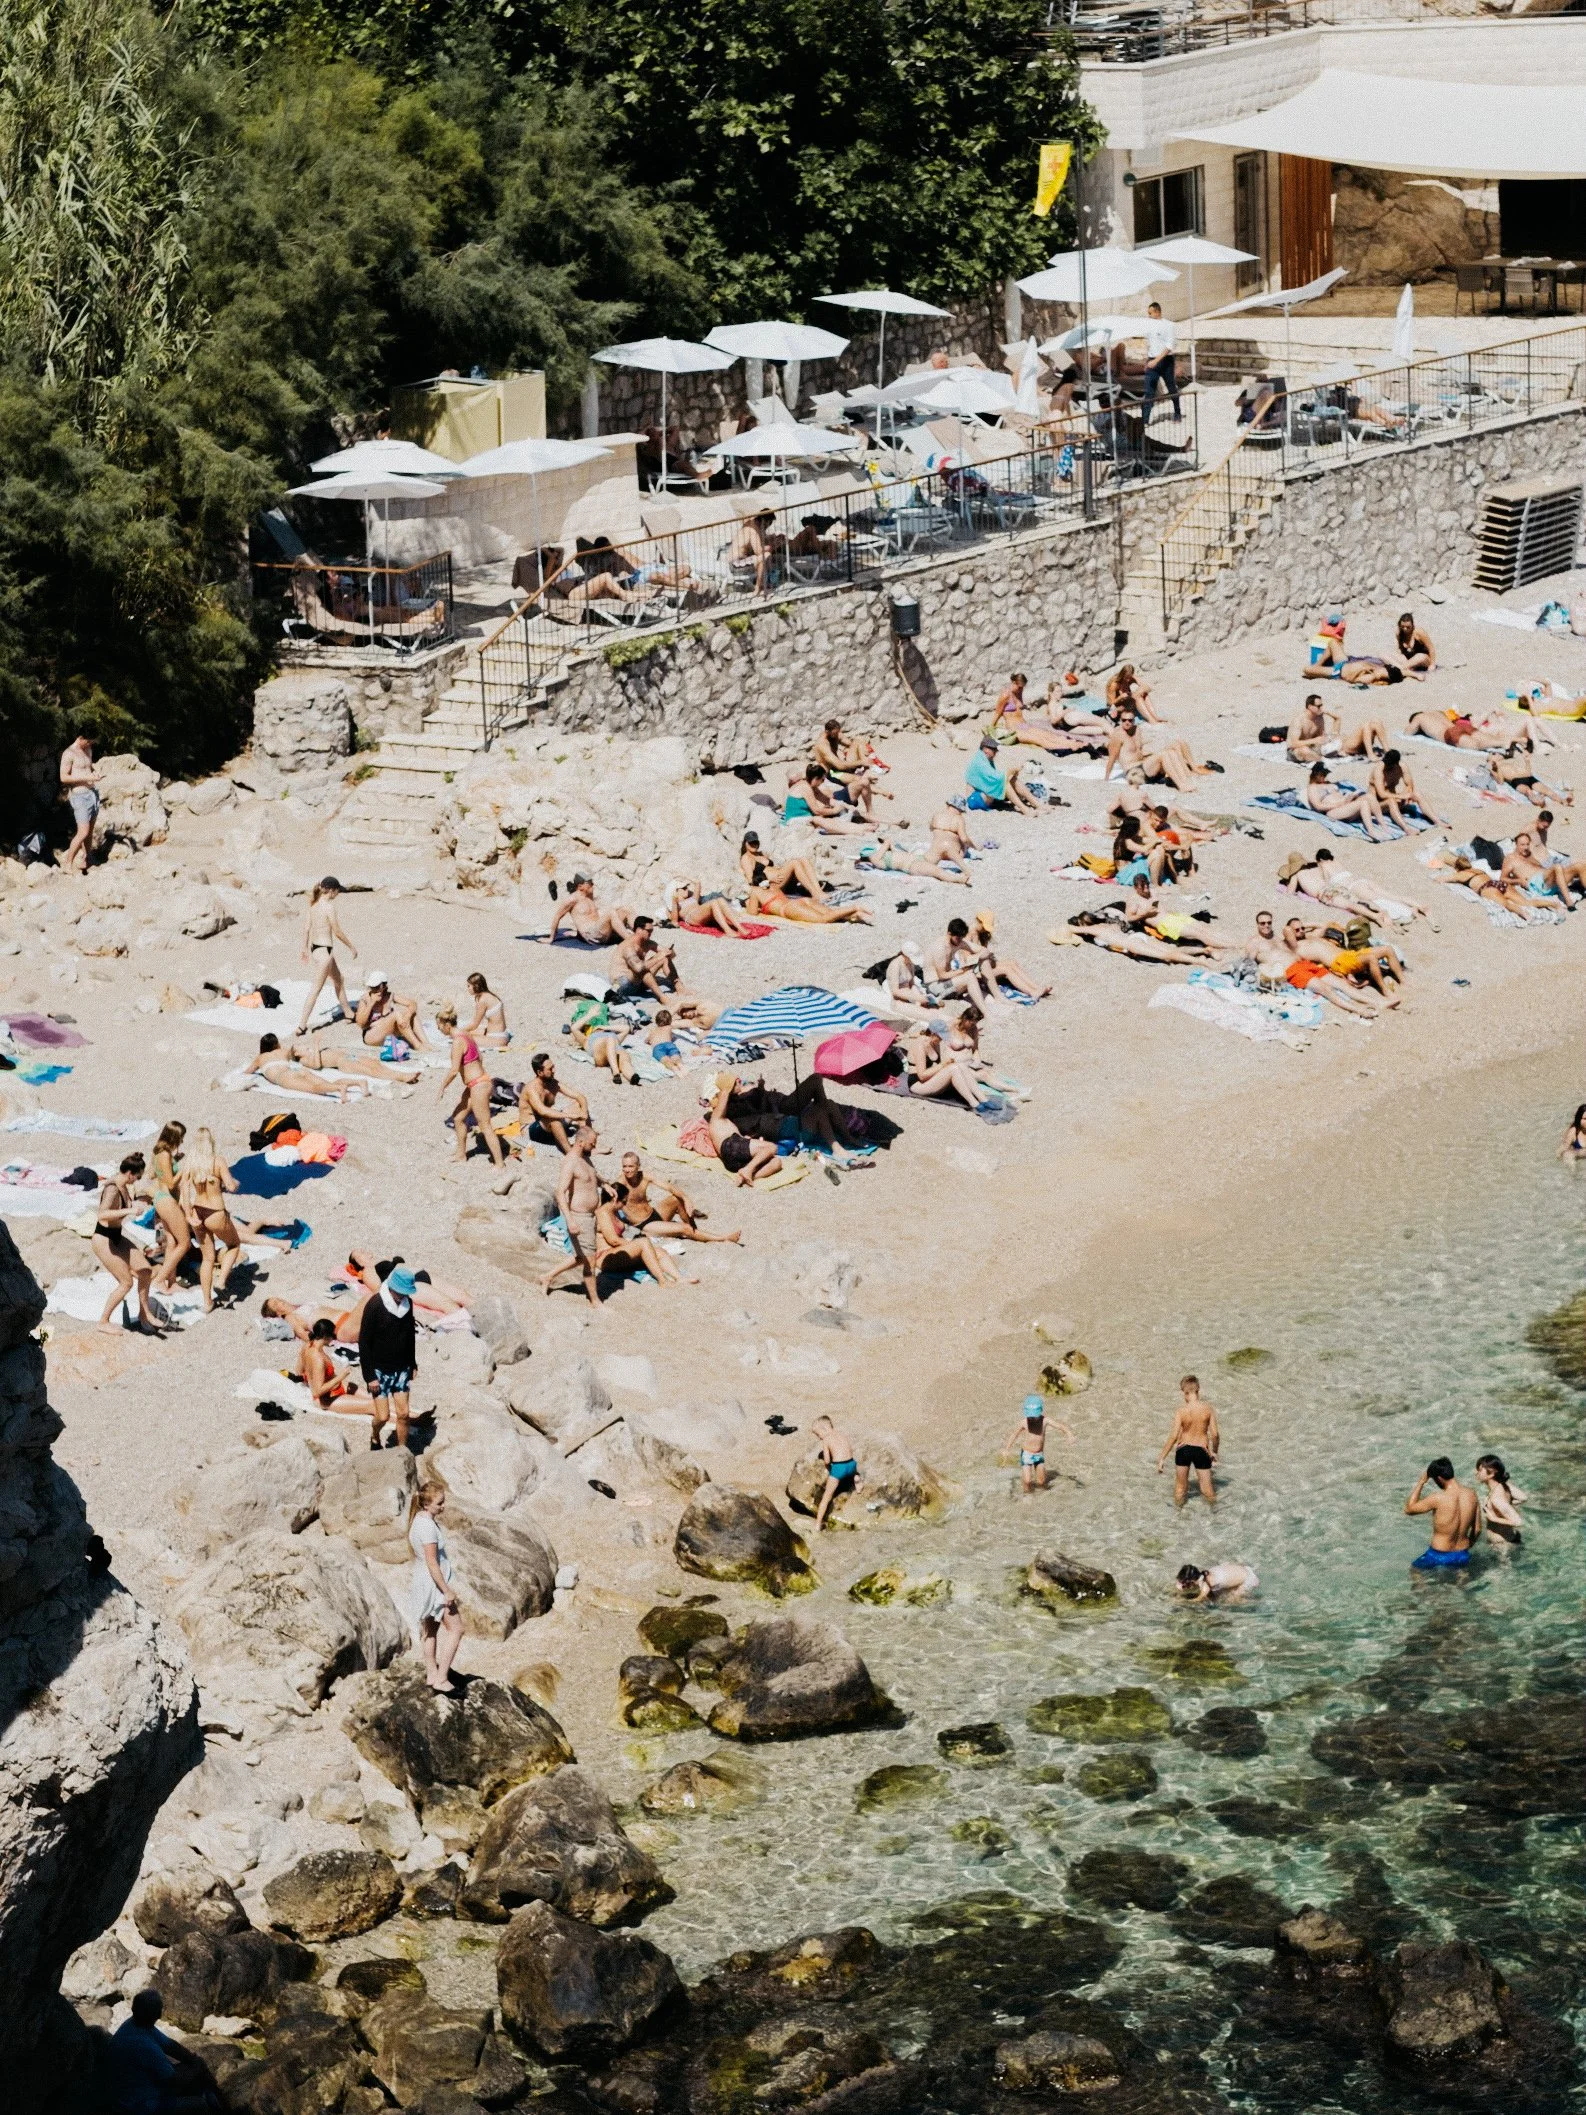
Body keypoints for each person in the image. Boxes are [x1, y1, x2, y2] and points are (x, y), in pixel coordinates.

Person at [109, 1987, 218, 2114]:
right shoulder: (145, 2046)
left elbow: (170, 2046)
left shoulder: (135, 2023)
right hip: (140, 2105)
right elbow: (174, 2082)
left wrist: (192, 2059)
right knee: (200, 2105)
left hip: (134, 2091)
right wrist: (197, 2068)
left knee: (193, 2071)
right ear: (158, 2014)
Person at [93, 1154, 162, 1335]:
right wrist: (129, 1210)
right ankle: (103, 1321)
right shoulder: (113, 1188)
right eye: (137, 1177)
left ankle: (144, 1314)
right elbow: (102, 1215)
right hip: (103, 1239)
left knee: (145, 1271)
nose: (137, 1181)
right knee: (126, 1282)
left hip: (116, 1235)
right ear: (130, 1173)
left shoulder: (123, 1186)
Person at [177, 1128, 243, 1312]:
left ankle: (207, 1302)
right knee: (234, 1244)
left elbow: (184, 1190)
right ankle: (221, 1280)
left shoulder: (191, 1163)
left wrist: (188, 1215)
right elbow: (231, 1186)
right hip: (215, 1212)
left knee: (207, 1258)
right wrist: (235, 1183)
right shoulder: (217, 1161)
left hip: (198, 1211)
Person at [408, 1483, 464, 1693]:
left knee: (430, 1631)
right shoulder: (428, 1527)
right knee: (456, 1629)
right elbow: (432, 1562)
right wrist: (446, 1590)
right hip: (434, 1584)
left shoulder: (418, 1521)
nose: (443, 1506)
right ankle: (441, 1678)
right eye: (439, 1503)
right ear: (426, 1504)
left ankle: (432, 1674)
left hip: (423, 1582)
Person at [1278, 916, 1392, 1016]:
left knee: (1343, 985)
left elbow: (1324, 925)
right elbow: (1287, 933)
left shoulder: (1310, 936)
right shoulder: (1293, 946)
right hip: (1327, 963)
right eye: (1297, 930)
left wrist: (1303, 926)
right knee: (1327, 989)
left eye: (1302, 928)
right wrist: (1291, 929)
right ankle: (1359, 1008)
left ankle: (1377, 1002)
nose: (1301, 931)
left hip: (1328, 960)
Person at [615, 1152, 740, 1243]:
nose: (627, 1170)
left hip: (654, 1214)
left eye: (630, 1166)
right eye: (624, 1166)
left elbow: (669, 1187)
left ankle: (694, 1231)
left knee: (676, 1199)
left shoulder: (644, 1176)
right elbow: (608, 1206)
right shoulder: (620, 1184)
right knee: (684, 1229)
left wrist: (686, 1199)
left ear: (638, 1166)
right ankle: (723, 1238)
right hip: (644, 1225)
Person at [542, 1124, 604, 1305]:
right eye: (592, 1143)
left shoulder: (585, 1158)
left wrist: (606, 1184)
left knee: (582, 1256)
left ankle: (547, 1276)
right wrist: (570, 1221)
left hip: (590, 1216)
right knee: (590, 1260)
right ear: (581, 1142)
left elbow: (593, 1176)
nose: (594, 1146)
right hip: (579, 1217)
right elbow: (560, 1193)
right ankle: (595, 1301)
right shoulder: (570, 1162)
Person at [437, 1005, 504, 1168]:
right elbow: (480, 1057)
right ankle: (461, 1155)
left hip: (478, 1085)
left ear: (447, 1025)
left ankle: (500, 1164)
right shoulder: (466, 1034)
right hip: (478, 1083)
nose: (438, 1029)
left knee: (485, 1125)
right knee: (458, 1118)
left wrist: (442, 1087)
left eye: (439, 1026)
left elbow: (454, 1070)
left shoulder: (458, 1041)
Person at [360, 1263, 419, 1448]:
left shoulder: (408, 1304)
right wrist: (369, 1376)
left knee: (403, 1413)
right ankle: (375, 1435)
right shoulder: (375, 1305)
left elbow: (409, 1335)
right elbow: (364, 1342)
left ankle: (402, 1450)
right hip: (379, 1370)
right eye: (400, 1292)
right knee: (383, 1416)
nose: (402, 1295)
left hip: (401, 1367)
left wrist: (412, 1363)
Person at [295, 877, 357, 1035]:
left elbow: (306, 928)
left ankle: (349, 1013)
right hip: (325, 952)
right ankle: (302, 1025)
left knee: (339, 979)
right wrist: (351, 947)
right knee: (316, 989)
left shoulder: (313, 904)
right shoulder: (329, 907)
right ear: (332, 891)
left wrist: (304, 948)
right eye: (338, 891)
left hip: (316, 949)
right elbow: (337, 931)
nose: (338, 894)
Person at [1105, 709, 1214, 793]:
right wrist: (1106, 778)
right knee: (1163, 755)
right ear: (1120, 720)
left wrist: (1149, 755)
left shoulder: (1137, 730)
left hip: (1144, 764)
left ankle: (1189, 773)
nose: (1127, 723)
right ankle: (1181, 785)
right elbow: (1112, 758)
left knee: (1176, 744)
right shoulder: (1118, 736)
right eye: (1124, 720)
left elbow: (1138, 751)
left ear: (1134, 720)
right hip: (1133, 773)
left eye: (1130, 720)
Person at [141, 1121, 191, 1299]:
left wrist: (175, 1161)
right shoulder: (165, 1155)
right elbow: (170, 1183)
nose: (182, 1141)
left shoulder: (159, 1153)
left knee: (172, 1242)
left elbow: (155, 1174)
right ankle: (160, 1279)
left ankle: (172, 1282)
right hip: (167, 1200)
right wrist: (184, 1170)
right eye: (181, 1138)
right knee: (185, 1243)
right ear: (174, 1138)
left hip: (162, 1199)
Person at [1405, 1456, 1482, 1569]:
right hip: (1462, 1554)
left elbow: (1409, 1509)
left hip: (1438, 1555)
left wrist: (1421, 1482)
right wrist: (1468, 1545)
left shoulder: (1438, 1498)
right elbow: (1477, 1529)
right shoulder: (1472, 1494)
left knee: (1415, 1569)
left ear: (1439, 1479)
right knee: (1460, 1577)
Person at [1157, 1375, 1220, 1507]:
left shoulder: (1181, 1411)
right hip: (1201, 1449)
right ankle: (1215, 1513)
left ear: (1185, 1392)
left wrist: (1162, 1457)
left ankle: (1179, 1514)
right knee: (1207, 1490)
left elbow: (1174, 1436)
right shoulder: (1208, 1409)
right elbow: (1215, 1435)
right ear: (1198, 1390)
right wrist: (1214, 1452)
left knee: (1180, 1489)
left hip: (1183, 1449)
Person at [1285, 693, 1389, 764]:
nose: (1321, 708)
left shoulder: (1319, 718)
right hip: (1300, 750)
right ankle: (1370, 754)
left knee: (1375, 722)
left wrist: (1329, 737)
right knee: (1304, 750)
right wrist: (1316, 740)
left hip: (1322, 747)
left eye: (1322, 705)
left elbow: (1337, 720)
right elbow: (1292, 744)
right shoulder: (1299, 721)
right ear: (1309, 707)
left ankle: (1388, 752)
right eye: (1319, 706)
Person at [1002, 1392, 1073, 1494]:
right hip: (1026, 1454)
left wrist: (1069, 1434)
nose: (1031, 1418)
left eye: (1033, 1416)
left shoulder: (1045, 1421)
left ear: (1040, 1412)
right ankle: (1027, 1495)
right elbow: (1014, 1434)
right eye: (1030, 1416)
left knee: (1041, 1482)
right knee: (1027, 1481)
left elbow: (1060, 1426)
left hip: (1039, 1455)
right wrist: (1007, 1449)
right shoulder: (1024, 1422)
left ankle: (1043, 1497)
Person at [520, 1052, 590, 1153]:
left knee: (578, 1105)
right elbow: (543, 1111)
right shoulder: (532, 1089)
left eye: (553, 1067)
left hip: (547, 1126)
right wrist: (571, 1116)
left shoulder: (553, 1083)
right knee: (554, 1119)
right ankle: (571, 1154)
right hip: (531, 1130)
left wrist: (583, 1112)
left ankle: (588, 1141)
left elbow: (580, 1097)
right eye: (550, 1069)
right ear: (540, 1072)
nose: (554, 1071)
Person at [1305, 763, 1392, 842]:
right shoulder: (1312, 788)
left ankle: (1383, 825)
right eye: (1323, 774)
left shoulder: (1327, 783)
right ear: (1316, 774)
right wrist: (1339, 804)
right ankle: (1371, 832)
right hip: (1333, 811)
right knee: (1363, 803)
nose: (1324, 777)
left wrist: (1351, 797)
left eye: (1325, 774)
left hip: (1346, 805)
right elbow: (1318, 806)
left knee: (1369, 796)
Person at [1502, 830, 1586, 909]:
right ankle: (1569, 902)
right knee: (1557, 866)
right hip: (1538, 886)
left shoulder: (1529, 854)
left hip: (1551, 881)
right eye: (1522, 845)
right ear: (1516, 844)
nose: (1526, 847)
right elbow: (1503, 878)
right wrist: (1519, 881)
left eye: (1527, 844)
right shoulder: (1510, 859)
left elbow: (1542, 867)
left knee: (1580, 866)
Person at [298, 1317, 368, 1411]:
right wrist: (341, 1376)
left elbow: (299, 1372)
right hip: (327, 1397)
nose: (334, 1339)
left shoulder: (307, 1346)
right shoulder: (319, 1359)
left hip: (336, 1386)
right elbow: (317, 1392)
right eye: (333, 1336)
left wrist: (310, 1378)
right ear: (326, 1336)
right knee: (373, 1405)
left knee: (375, 1399)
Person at [739, 830, 827, 903]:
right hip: (772, 885)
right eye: (751, 843)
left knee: (804, 860)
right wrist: (769, 880)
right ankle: (815, 894)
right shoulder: (746, 858)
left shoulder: (761, 854)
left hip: (782, 879)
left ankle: (819, 891)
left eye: (755, 842)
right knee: (794, 863)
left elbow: (771, 868)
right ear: (745, 843)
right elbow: (751, 880)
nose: (754, 845)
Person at [548, 874, 635, 945]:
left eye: (592, 882)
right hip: (591, 934)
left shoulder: (589, 896)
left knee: (626, 909)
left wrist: (578, 934)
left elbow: (582, 917)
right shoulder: (572, 899)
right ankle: (631, 941)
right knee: (611, 913)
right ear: (580, 886)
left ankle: (639, 930)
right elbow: (557, 916)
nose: (592, 884)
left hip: (599, 929)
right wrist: (551, 938)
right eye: (589, 882)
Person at [354, 973, 432, 1053]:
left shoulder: (389, 996)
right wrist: (371, 1003)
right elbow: (360, 1023)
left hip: (388, 1032)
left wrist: (407, 1016)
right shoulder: (365, 999)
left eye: (377, 987)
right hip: (372, 1035)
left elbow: (412, 1004)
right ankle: (418, 1046)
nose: (375, 990)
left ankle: (426, 1043)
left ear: (383, 986)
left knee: (412, 1014)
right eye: (372, 987)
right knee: (396, 1014)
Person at [1370, 749, 1444, 830]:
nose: (1387, 767)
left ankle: (1438, 821)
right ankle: (1407, 829)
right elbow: (1382, 794)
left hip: (1395, 801)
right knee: (1391, 801)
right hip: (1377, 805)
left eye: (1390, 766)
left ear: (1396, 764)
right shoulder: (1378, 770)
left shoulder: (1402, 767)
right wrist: (1402, 796)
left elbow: (1409, 785)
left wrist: (1406, 795)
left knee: (1417, 793)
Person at [59, 733, 101, 874]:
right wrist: (86, 777)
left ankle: (87, 858)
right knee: (83, 832)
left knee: (89, 831)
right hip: (80, 796)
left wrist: (95, 773)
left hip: (92, 793)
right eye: (88, 741)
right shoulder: (69, 753)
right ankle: (68, 863)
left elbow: (88, 767)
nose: (90, 744)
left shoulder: (88, 749)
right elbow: (63, 777)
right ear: (81, 737)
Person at [965, 736, 1040, 815]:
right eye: (994, 749)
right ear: (986, 749)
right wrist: (1011, 770)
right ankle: (1024, 809)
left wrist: (1013, 773)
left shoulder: (985, 759)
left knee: (1012, 779)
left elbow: (993, 778)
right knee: (1003, 783)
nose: (996, 751)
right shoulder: (980, 762)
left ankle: (1038, 804)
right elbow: (997, 779)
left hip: (984, 794)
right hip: (974, 799)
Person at [612, 917, 681, 1000]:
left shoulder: (647, 943)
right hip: (621, 984)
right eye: (648, 931)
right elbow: (638, 968)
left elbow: (670, 955)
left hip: (637, 982)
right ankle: (664, 999)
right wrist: (659, 957)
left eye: (652, 931)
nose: (651, 933)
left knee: (664, 958)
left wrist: (670, 952)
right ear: (639, 930)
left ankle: (680, 988)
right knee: (643, 971)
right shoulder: (628, 947)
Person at [811, 1415, 859, 1530]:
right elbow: (849, 1450)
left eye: (818, 1434)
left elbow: (827, 1460)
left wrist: (829, 1468)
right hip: (851, 1465)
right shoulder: (841, 1435)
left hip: (839, 1468)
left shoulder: (826, 1440)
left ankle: (818, 1524)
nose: (819, 1438)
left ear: (824, 1429)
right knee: (855, 1475)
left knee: (826, 1497)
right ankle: (858, 1485)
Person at [1474, 1453, 1525, 1548]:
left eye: (1480, 1470)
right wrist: (1509, 1504)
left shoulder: (1496, 1498)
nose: (1476, 1473)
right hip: (1507, 1541)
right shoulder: (1502, 1486)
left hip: (1504, 1547)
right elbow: (1523, 1498)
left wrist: (1494, 1518)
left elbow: (1518, 1522)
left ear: (1491, 1473)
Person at [671, 878, 755, 934]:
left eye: (686, 887)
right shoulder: (676, 904)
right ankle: (728, 930)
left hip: (700, 913)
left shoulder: (693, 898)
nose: (687, 889)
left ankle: (740, 927)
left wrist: (683, 877)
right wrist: (674, 900)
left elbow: (697, 882)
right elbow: (674, 921)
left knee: (720, 899)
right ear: (676, 891)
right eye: (684, 888)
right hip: (692, 917)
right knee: (713, 902)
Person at [1142, 302, 1180, 423]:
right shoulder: (1148, 326)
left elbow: (1170, 346)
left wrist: (1157, 360)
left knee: (1171, 387)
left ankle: (1177, 412)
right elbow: (1150, 345)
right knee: (1149, 391)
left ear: (1157, 312)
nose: (1149, 315)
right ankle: (1145, 420)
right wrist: (1148, 361)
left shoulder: (1168, 325)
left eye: (1150, 313)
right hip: (1152, 361)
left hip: (1165, 361)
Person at [731, 507, 781, 594]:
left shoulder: (755, 526)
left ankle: (768, 582)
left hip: (741, 561)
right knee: (765, 556)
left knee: (767, 556)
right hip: (736, 564)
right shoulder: (753, 530)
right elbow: (759, 551)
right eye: (768, 524)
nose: (767, 527)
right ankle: (758, 588)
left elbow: (762, 540)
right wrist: (774, 545)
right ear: (764, 521)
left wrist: (773, 538)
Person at [465, 972, 510, 1047]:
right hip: (502, 1034)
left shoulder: (482, 1000)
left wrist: (459, 1032)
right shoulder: (489, 995)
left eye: (469, 986)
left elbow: (475, 1024)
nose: (468, 989)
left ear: (476, 986)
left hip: (497, 1038)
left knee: (462, 1038)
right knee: (470, 1032)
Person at [1175, 1561, 1259, 1602]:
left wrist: (1182, 1602)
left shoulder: (1205, 1586)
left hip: (1249, 1580)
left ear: (1192, 1581)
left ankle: (1257, 1600)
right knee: (1219, 1593)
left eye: (1184, 1584)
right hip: (1244, 1569)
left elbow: (1198, 1599)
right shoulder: (1205, 1574)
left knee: (1230, 1601)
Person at [1396, 611, 1436, 678]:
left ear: (1412, 625)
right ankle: (1404, 669)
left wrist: (1432, 665)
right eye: (1402, 627)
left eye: (1408, 627)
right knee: (1383, 655)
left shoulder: (1419, 632)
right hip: (1409, 658)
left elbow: (1431, 648)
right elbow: (1400, 648)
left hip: (1424, 659)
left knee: (1419, 656)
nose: (1405, 629)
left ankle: (1400, 669)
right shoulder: (1399, 633)